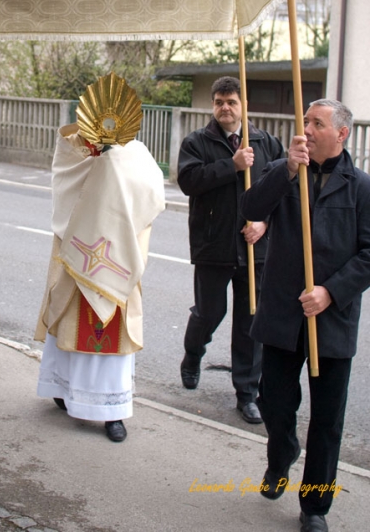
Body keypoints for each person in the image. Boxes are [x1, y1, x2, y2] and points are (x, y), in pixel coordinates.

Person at [242, 99, 370, 532]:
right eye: (306, 121)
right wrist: (285, 170)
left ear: (342, 133)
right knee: (273, 402)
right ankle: (281, 454)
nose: (308, 130)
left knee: (328, 420)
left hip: (331, 320)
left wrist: (331, 291)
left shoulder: (361, 187)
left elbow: (369, 253)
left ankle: (315, 505)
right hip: (282, 311)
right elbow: (250, 208)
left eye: (318, 123)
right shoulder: (285, 171)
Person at [35, 74, 166, 442]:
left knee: (110, 334)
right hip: (77, 256)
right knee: (70, 324)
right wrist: (95, 160)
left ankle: (112, 411)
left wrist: (114, 162)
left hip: (116, 257)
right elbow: (64, 184)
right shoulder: (74, 149)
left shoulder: (136, 154)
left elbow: (151, 195)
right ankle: (62, 388)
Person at [177, 76, 284, 424]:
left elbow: (284, 189)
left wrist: (264, 222)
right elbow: (188, 181)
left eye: (232, 102)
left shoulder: (266, 143)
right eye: (220, 102)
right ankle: (193, 353)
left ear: (244, 105)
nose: (225, 108)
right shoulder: (197, 142)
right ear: (213, 105)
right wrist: (232, 165)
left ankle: (246, 393)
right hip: (214, 244)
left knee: (251, 321)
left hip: (255, 248)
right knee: (209, 312)